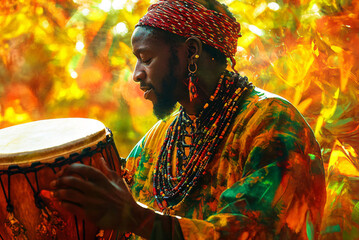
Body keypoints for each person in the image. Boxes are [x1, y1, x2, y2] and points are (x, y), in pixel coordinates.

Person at [50, 0, 326, 238]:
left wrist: (136, 217)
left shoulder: (272, 123)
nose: (136, 74)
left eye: (145, 58)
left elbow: (253, 233)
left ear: (191, 51)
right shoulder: (160, 138)